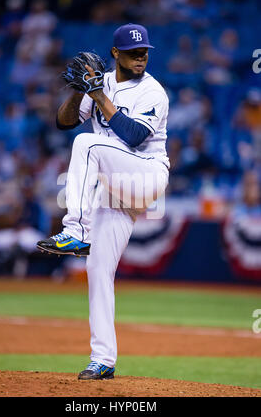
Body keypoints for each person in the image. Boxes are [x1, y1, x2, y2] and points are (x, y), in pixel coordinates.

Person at [37, 24, 170, 380]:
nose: (140, 57)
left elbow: (135, 136)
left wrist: (98, 96)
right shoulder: (102, 82)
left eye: (144, 52)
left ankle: (75, 230)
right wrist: (80, 91)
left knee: (87, 144)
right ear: (116, 53)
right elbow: (63, 122)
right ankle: (103, 359)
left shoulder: (153, 91)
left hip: (145, 175)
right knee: (97, 271)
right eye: (132, 52)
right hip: (113, 187)